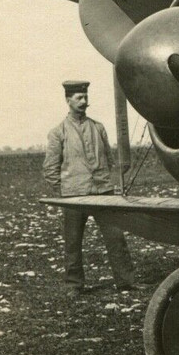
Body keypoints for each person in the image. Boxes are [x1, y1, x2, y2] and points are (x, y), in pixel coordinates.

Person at [43, 81, 137, 298]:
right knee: (73, 242)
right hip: (74, 196)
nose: (84, 101)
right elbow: (50, 168)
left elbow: (109, 159)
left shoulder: (98, 127)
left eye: (85, 97)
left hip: (103, 193)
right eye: (78, 98)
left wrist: (105, 182)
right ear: (68, 101)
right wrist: (66, 190)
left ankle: (126, 282)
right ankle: (73, 286)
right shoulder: (58, 133)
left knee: (116, 237)